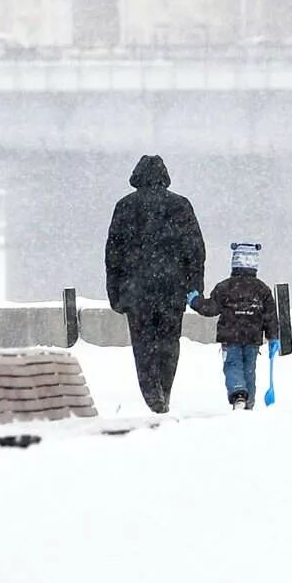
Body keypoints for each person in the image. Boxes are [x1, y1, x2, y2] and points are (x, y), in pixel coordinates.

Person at [104, 154, 206, 414]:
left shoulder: (125, 206)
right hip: (172, 290)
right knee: (169, 342)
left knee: (143, 344)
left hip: (136, 291)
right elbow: (195, 250)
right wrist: (194, 288)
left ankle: (152, 393)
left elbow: (113, 254)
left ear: (136, 177)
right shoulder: (181, 205)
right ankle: (165, 388)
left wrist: (114, 292)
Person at [189, 241, 281, 410]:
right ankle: (249, 401)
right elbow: (270, 317)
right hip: (253, 337)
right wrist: (273, 337)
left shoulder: (225, 287)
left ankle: (239, 394)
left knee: (233, 365)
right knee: (249, 369)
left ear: (234, 261)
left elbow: (211, 308)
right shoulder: (262, 290)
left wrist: (195, 301)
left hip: (230, 336)